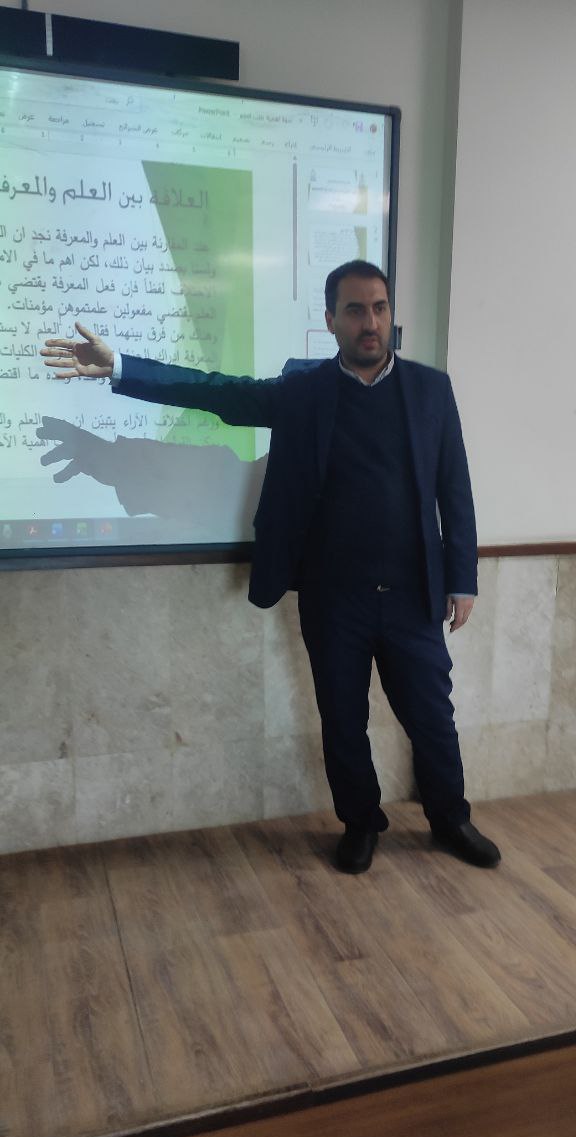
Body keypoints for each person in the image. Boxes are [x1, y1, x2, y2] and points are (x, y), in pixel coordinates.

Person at [42, 259, 501, 875]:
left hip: (413, 594)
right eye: (356, 310)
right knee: (342, 721)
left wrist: (463, 579)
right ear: (331, 320)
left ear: (391, 314)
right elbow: (215, 390)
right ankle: (361, 822)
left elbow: (455, 490)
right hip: (335, 598)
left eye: (380, 308)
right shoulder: (301, 392)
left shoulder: (430, 390)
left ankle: (450, 819)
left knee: (433, 718)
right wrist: (122, 367)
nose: (371, 323)